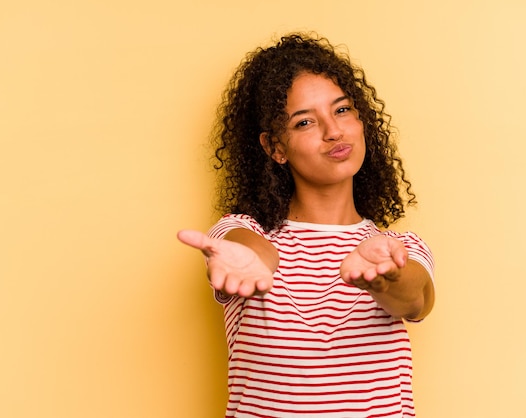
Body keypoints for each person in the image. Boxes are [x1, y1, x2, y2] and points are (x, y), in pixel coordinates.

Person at [177, 32, 435, 418]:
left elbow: (416, 299)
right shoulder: (239, 234)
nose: (333, 131)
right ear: (275, 147)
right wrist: (248, 259)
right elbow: (252, 251)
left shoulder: (396, 247)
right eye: (304, 122)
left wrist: (385, 278)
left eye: (343, 110)